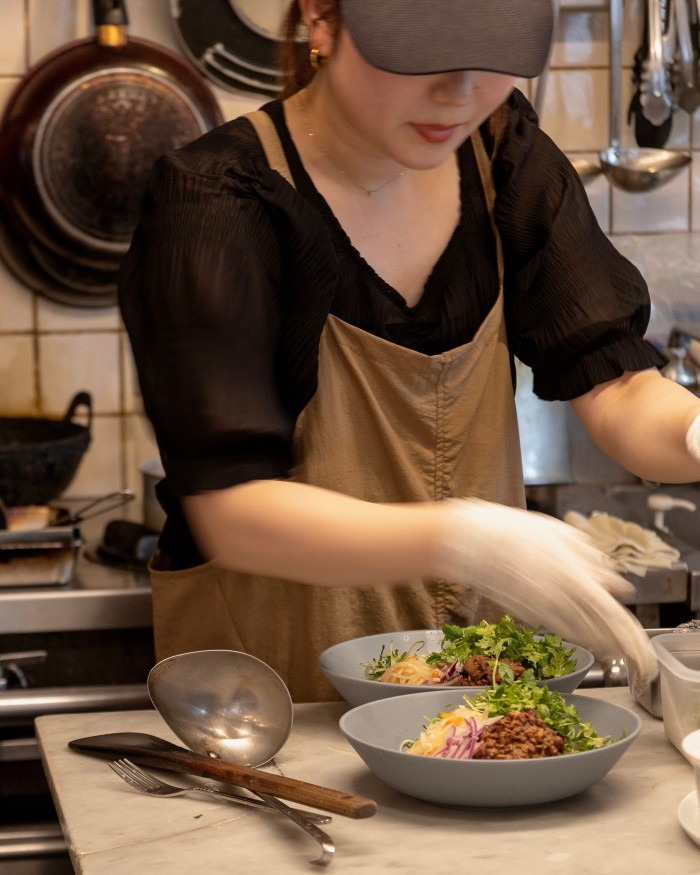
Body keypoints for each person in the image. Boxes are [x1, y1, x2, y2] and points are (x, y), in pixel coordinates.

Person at [119, 0, 700, 703]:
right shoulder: (215, 201)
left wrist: (694, 431)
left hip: (475, 719)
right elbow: (232, 511)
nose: (458, 94)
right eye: (418, 55)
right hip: (273, 724)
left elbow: (615, 383)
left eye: (489, 56)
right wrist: (466, 541)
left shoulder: (502, 153)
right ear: (322, 20)